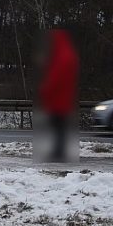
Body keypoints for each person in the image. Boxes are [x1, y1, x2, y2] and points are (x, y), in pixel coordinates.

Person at [36, 28, 80, 162]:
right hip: (65, 98)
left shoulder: (62, 56)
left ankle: (58, 153)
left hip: (58, 100)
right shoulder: (68, 54)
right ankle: (59, 151)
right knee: (60, 128)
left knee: (58, 128)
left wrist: (44, 89)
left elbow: (55, 77)